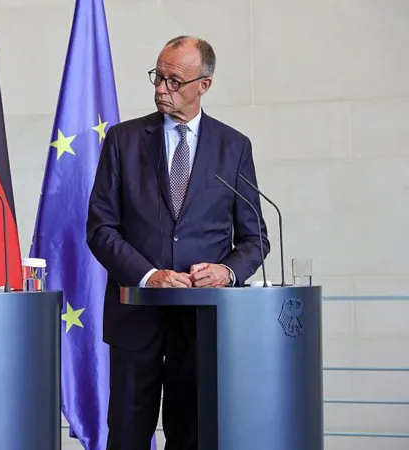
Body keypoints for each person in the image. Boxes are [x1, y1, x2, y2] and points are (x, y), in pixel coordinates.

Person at [86, 36, 270, 450]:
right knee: (128, 437)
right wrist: (149, 275)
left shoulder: (234, 146)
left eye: (174, 81)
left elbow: (254, 237)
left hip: (203, 325)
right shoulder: (123, 140)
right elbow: (100, 228)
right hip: (136, 318)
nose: (160, 89)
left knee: (193, 437)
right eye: (158, 77)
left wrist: (227, 271)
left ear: (204, 85)